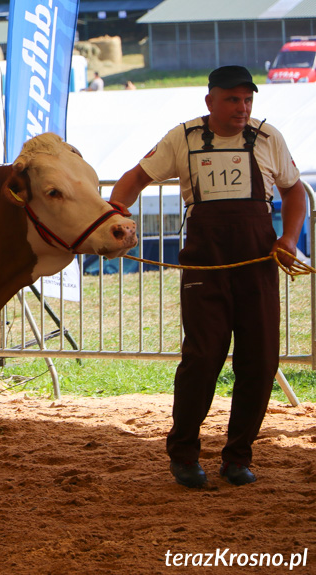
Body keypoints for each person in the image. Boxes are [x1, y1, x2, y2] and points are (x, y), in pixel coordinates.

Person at [110, 66, 306, 488]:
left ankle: (237, 458)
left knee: (261, 361)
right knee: (202, 358)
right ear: (210, 101)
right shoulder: (182, 137)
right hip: (204, 266)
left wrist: (289, 238)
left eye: (247, 100)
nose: (242, 108)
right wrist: (115, 218)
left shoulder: (269, 138)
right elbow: (136, 178)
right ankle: (183, 454)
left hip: (257, 267)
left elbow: (294, 190)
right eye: (233, 99)